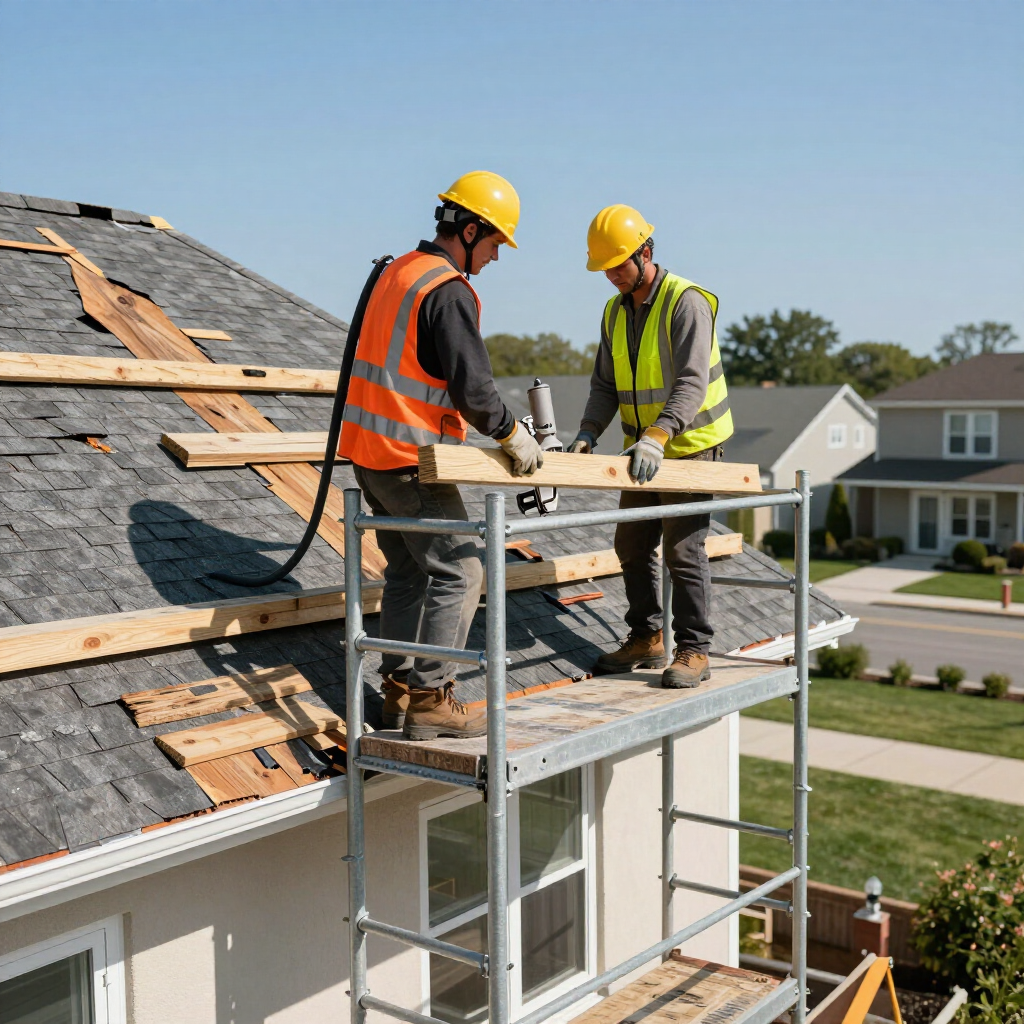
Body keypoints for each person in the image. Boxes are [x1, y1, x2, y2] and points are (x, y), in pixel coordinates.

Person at [339, 171, 542, 738]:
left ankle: (398, 691)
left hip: (369, 454)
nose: (497, 258)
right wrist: (512, 436)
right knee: (463, 569)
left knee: (409, 572)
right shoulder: (447, 290)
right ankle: (431, 698)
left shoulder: (397, 272)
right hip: (410, 456)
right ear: (471, 229)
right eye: (496, 243)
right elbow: (473, 391)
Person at [568, 205, 733, 688]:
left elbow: (691, 382)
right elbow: (605, 384)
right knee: (632, 545)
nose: (613, 277)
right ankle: (646, 637)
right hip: (642, 450)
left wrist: (659, 435)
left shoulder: (687, 302)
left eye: (619, 265)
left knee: (683, 551)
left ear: (646, 252)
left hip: (691, 444)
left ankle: (694, 650)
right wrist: (587, 433)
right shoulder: (614, 311)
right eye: (605, 269)